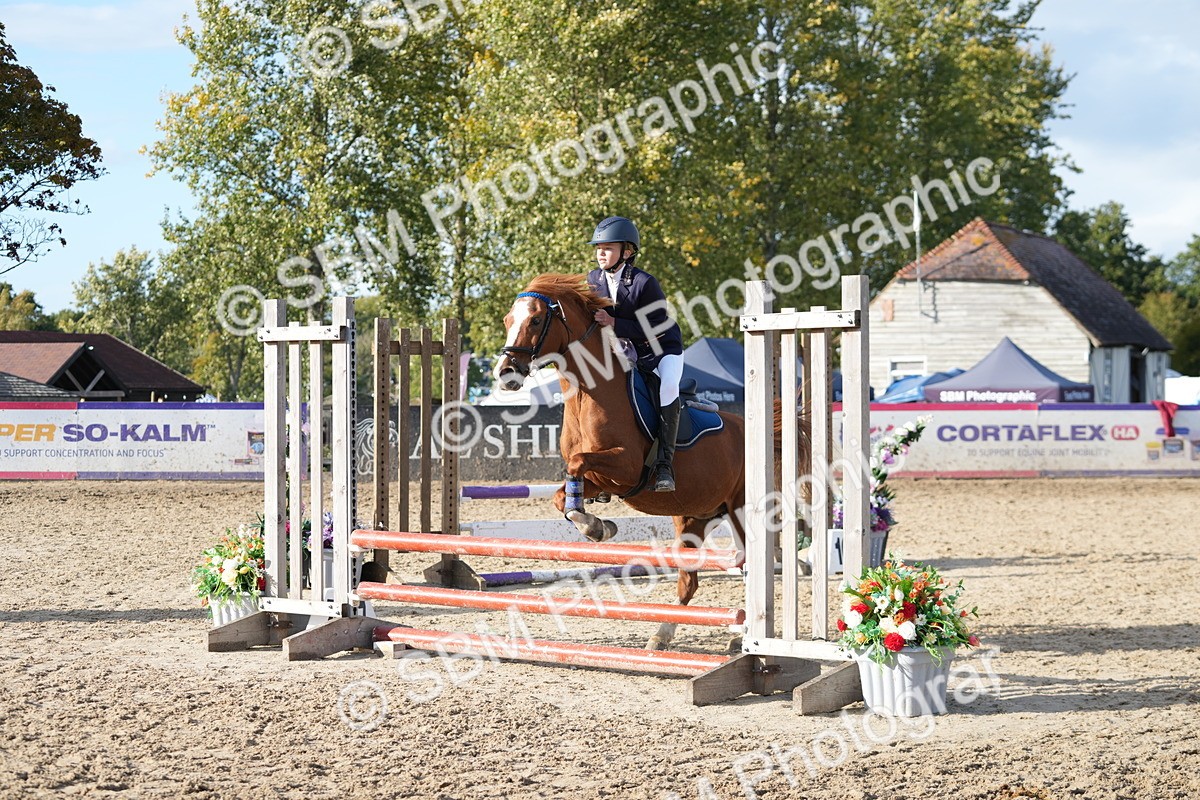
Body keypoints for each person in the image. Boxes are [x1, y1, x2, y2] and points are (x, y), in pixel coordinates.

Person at [586, 216, 684, 492]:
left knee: (668, 387)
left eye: (607, 248)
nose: (600, 253)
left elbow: (656, 326)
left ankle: (665, 464)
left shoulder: (644, 283)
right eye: (598, 248)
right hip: (627, 350)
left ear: (626, 252)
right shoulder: (593, 279)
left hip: (662, 350)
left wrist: (614, 322)